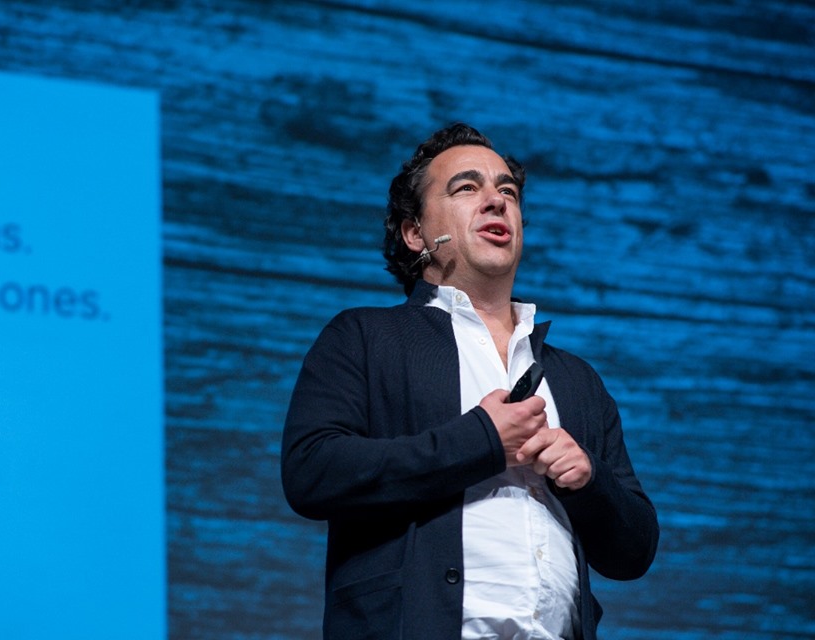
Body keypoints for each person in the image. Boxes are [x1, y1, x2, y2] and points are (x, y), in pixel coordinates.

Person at [281, 123, 658, 640]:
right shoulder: (364, 337)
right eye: (466, 187)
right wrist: (482, 441)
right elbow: (312, 471)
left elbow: (635, 551)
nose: (497, 201)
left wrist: (589, 479)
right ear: (415, 233)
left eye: (508, 192)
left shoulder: (577, 379)